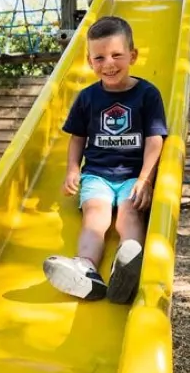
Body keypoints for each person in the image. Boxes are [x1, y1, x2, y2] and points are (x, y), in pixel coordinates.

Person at [42, 16, 167, 304]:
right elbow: (77, 138)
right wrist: (73, 169)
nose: (108, 63)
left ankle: (127, 265)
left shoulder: (148, 95)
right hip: (97, 173)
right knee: (95, 215)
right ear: (89, 61)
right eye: (99, 57)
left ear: (132, 56)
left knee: (130, 213)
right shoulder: (87, 98)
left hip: (134, 175)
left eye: (116, 55)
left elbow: (154, 140)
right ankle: (86, 269)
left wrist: (147, 179)